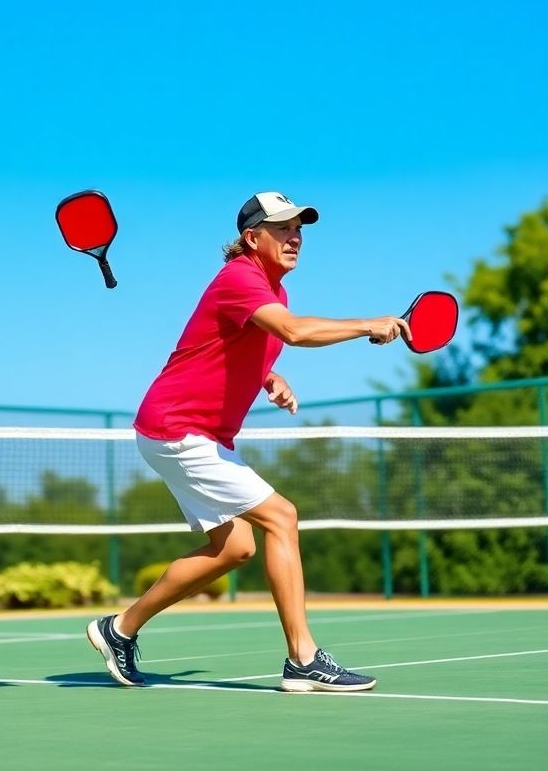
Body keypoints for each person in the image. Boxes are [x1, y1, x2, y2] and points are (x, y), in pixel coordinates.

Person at [87, 190, 411, 692]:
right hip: (179, 428)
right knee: (282, 516)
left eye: (299, 228)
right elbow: (295, 332)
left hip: (191, 432)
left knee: (234, 548)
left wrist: (269, 377)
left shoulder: (273, 291)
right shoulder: (241, 277)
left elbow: (223, 343)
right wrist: (366, 324)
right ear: (251, 237)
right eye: (282, 228)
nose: (295, 236)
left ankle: (119, 629)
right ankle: (303, 658)